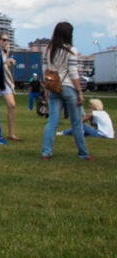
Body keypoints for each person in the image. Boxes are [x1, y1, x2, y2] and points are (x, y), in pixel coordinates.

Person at [41, 22, 91, 160]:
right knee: (76, 122)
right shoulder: (71, 50)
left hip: (53, 87)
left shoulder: (47, 49)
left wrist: (47, 87)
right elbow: (73, 73)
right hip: (68, 87)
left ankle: (46, 152)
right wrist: (80, 91)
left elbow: (45, 70)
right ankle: (83, 153)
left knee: (52, 122)